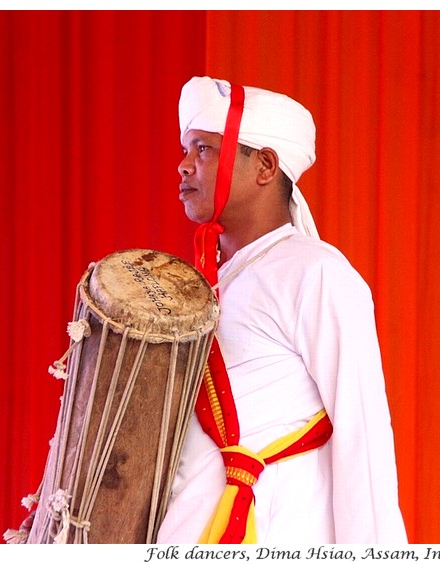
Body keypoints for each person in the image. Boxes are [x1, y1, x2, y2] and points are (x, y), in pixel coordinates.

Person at [156, 76, 407, 544]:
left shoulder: (317, 272)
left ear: (266, 166)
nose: (184, 166)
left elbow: (363, 440)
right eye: (187, 150)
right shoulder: (206, 285)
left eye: (204, 150)